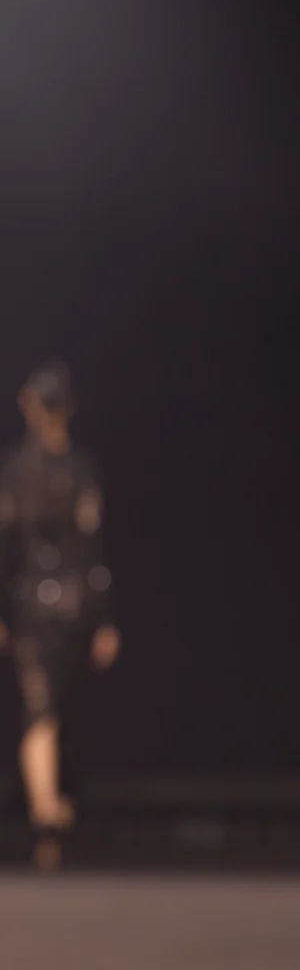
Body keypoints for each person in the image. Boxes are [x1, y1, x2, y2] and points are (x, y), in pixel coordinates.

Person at [0, 361, 119, 863]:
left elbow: (13, 545)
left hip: (39, 602)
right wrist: (104, 616)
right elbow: (90, 549)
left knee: (47, 709)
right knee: (45, 710)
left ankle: (47, 802)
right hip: (61, 602)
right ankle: (46, 806)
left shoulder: (24, 470)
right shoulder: (66, 470)